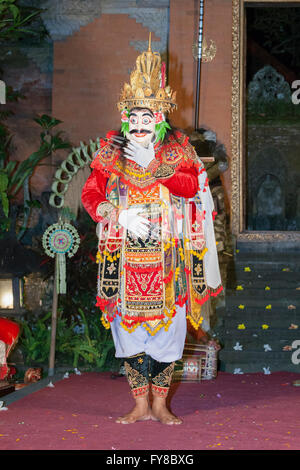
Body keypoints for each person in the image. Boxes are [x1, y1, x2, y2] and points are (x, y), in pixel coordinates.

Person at [81, 36, 222, 425]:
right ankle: (139, 404)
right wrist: (115, 213)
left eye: (148, 118)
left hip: (168, 258)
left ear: (159, 119)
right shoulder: (111, 149)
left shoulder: (177, 148)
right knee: (129, 336)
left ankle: (160, 404)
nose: (140, 126)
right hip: (124, 257)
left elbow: (192, 187)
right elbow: (91, 192)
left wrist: (161, 171)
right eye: (135, 118)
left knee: (168, 337)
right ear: (127, 118)